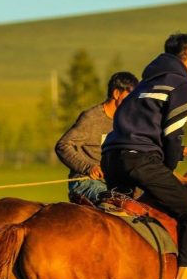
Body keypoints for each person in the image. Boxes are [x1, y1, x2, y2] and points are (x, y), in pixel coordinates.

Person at [101, 33, 187, 279]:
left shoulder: (143, 85)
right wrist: (172, 165)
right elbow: (172, 133)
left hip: (111, 158)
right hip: (141, 161)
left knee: (123, 217)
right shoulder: (182, 84)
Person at [55, 72, 139, 202]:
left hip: (114, 184)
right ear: (116, 94)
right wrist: (89, 167)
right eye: (130, 97)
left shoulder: (127, 121)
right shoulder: (92, 118)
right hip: (86, 183)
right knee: (115, 202)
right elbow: (63, 145)